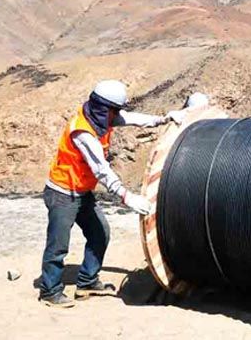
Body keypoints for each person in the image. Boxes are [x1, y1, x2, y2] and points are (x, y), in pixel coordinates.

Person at [39, 80, 182, 308]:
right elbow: (101, 170)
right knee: (58, 245)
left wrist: (163, 119)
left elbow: (132, 119)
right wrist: (126, 197)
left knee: (100, 234)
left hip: (82, 192)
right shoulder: (82, 131)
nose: (117, 115)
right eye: (115, 110)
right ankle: (50, 291)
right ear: (104, 108)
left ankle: (87, 281)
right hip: (62, 194)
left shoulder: (101, 118)